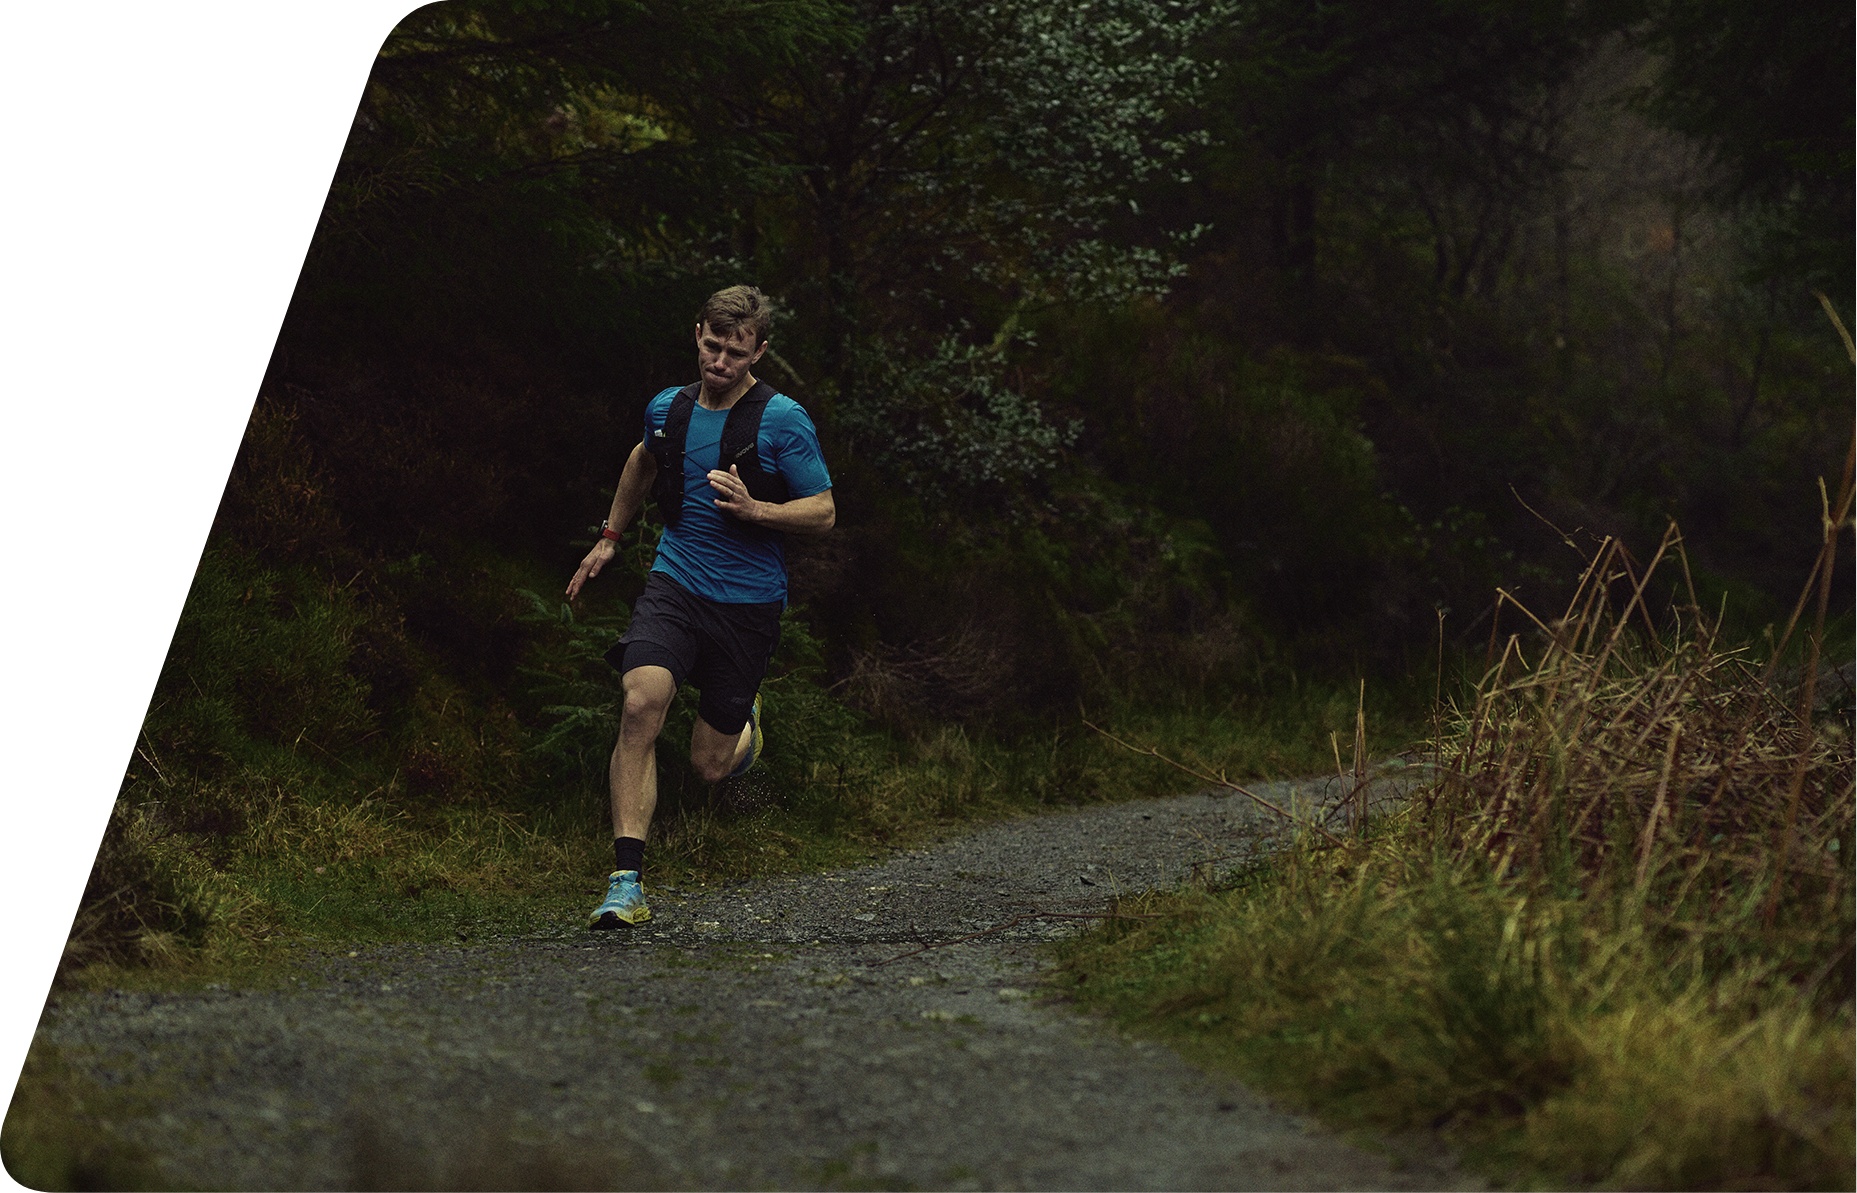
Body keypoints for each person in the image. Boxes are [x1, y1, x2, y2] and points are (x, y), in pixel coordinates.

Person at [566, 285, 835, 929]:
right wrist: (610, 537)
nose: (720, 362)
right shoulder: (669, 408)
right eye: (712, 346)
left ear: (759, 352)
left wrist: (756, 509)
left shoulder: (783, 420)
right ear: (697, 336)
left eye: (736, 353)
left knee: (710, 765)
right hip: (676, 584)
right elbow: (643, 462)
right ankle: (626, 883)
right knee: (639, 703)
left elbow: (822, 511)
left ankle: (746, 727)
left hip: (747, 605)